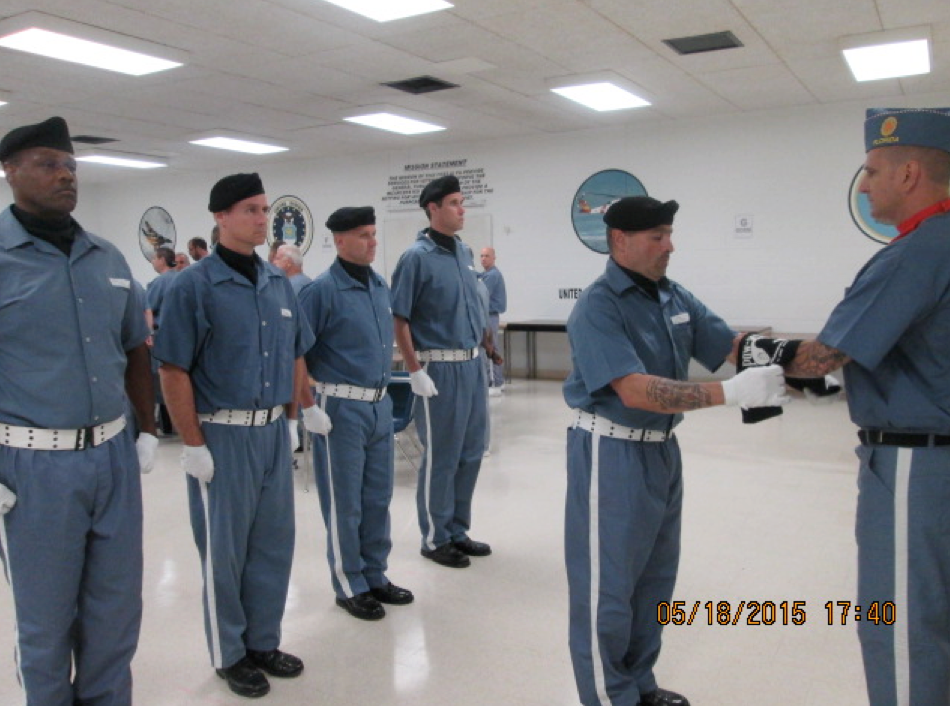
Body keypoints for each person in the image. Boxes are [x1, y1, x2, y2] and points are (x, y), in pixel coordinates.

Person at [743, 107, 950, 706]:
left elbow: (825, 357)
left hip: (918, 466)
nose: (863, 185)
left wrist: (756, 351)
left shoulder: (914, 253)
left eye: (871, 171)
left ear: (909, 173)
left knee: (905, 625)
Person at [563, 196, 788, 706]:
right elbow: (635, 390)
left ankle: (639, 683)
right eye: (657, 236)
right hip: (611, 452)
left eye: (669, 233)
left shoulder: (671, 296)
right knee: (610, 589)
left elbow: (728, 344)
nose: (670, 245)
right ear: (620, 240)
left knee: (655, 581)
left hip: (662, 449)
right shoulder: (598, 305)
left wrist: (795, 362)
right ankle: (608, 695)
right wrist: (731, 393)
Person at [0, 116, 157, 705]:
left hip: (112, 458)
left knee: (116, 612)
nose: (64, 175)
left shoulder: (106, 257)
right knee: (45, 621)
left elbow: (135, 348)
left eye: (70, 165)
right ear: (9, 171)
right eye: (46, 163)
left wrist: (144, 431)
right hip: (33, 467)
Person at [154, 172, 314, 699]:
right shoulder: (193, 286)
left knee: (273, 544)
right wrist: (193, 444)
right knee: (226, 552)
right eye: (250, 209)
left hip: (270, 431)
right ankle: (230, 653)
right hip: (221, 436)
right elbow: (173, 369)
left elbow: (294, 353)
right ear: (220, 217)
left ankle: (262, 640)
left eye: (265, 209)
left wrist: (292, 419)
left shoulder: (277, 283)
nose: (263, 219)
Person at [297, 206, 414, 621]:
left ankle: (375, 573)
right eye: (363, 235)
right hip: (340, 406)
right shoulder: (321, 291)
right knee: (345, 501)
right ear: (340, 240)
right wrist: (308, 408)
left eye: (373, 234)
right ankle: (350, 583)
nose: (372, 242)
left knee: (377, 497)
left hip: (378, 404)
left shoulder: (379, 286)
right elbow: (297, 354)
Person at [391, 174, 490, 569]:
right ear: (433, 209)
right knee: (442, 455)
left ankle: (457, 530)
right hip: (439, 370)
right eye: (453, 203)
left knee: (470, 451)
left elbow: (471, 305)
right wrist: (415, 370)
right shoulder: (416, 257)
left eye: (462, 202)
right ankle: (434, 537)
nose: (461, 209)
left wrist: (487, 345)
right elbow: (400, 319)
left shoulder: (464, 253)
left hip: (472, 365)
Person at [146, 246, 179, 435]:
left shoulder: (159, 284)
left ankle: (163, 427)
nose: (152, 262)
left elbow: (148, 310)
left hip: (161, 339)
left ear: (162, 259)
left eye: (154, 258)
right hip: (182, 339)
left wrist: (147, 333)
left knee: (160, 383)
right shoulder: (182, 278)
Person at [479, 246, 507, 393]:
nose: (483, 259)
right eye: (482, 256)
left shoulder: (492, 276)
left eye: (487, 256)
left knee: (489, 348)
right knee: (490, 347)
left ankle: (495, 383)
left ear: (494, 258)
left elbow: (480, 294)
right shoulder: (485, 274)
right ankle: (494, 381)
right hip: (488, 316)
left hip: (489, 316)